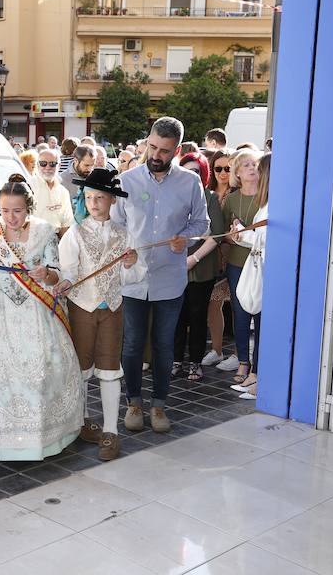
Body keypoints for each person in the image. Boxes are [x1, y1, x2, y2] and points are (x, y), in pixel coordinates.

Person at [0, 175, 83, 460]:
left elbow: (56, 270)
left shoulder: (44, 232)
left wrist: (47, 274)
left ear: (28, 208)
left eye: (17, 210)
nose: (10, 217)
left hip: (36, 312)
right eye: (5, 210)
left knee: (40, 370)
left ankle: (41, 437)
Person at [111, 117, 209, 433]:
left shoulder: (190, 183)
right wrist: (124, 248)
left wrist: (186, 237)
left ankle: (159, 406)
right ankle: (134, 403)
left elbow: (202, 224)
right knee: (133, 343)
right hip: (133, 278)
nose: (156, 154)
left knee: (165, 344)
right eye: (152, 146)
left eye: (164, 151)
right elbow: (115, 226)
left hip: (170, 277)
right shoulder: (126, 181)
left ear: (176, 150)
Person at [55, 167, 145, 460]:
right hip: (81, 307)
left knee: (109, 369)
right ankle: (81, 421)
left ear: (112, 201)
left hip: (112, 310)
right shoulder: (75, 233)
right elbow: (68, 271)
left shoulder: (124, 234)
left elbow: (132, 278)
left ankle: (110, 431)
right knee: (81, 368)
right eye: (90, 197)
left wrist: (131, 263)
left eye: (101, 198)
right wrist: (65, 282)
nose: (94, 203)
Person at [173, 153, 226, 381]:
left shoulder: (210, 198)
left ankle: (195, 362)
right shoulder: (171, 196)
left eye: (195, 171)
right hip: (173, 267)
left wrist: (192, 260)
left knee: (197, 316)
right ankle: (175, 360)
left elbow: (216, 235)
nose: (190, 175)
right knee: (176, 317)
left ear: (202, 174)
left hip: (201, 267)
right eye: (186, 170)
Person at [229, 152, 270, 400]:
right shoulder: (266, 202)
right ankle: (254, 373)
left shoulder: (273, 202)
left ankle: (259, 378)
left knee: (264, 323)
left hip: (265, 269)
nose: (255, 170)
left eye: (259, 168)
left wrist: (243, 234)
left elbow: (267, 239)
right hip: (253, 266)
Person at [222, 148, 264, 385]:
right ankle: (243, 362)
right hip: (238, 262)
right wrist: (233, 235)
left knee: (259, 313)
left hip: (261, 263)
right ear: (237, 171)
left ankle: (258, 366)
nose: (252, 168)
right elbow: (223, 233)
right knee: (240, 313)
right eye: (246, 164)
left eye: (255, 164)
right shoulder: (232, 198)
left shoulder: (268, 196)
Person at [201, 149, 239, 372]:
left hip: (232, 254)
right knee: (213, 304)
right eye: (218, 168)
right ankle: (217, 349)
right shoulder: (207, 193)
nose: (223, 173)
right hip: (212, 256)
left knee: (236, 306)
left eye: (228, 168)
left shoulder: (237, 194)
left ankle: (238, 353)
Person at [29, 147, 74, 236]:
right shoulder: (29, 187)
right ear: (37, 165)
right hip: (33, 239)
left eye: (52, 164)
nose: (48, 167)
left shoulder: (63, 191)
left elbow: (66, 224)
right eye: (43, 164)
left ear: (59, 166)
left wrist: (62, 246)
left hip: (56, 239)